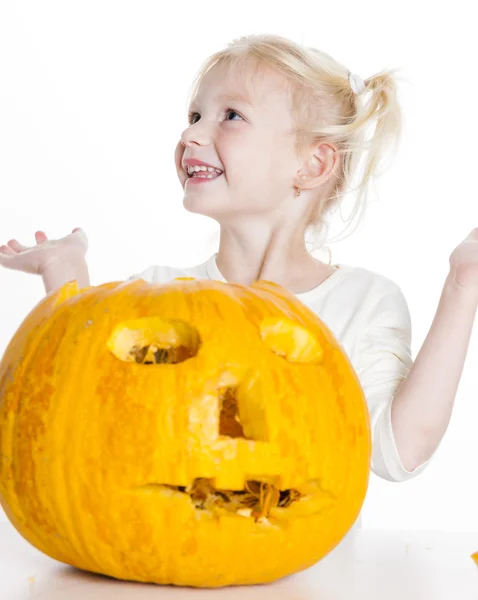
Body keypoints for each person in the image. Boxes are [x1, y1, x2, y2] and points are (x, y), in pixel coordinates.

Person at [2, 34, 478, 530]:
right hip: (161, 548)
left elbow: (399, 453)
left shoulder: (361, 302)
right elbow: (78, 407)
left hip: (301, 574)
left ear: (312, 164)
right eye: (193, 116)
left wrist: (464, 287)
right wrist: (65, 274)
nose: (191, 137)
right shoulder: (157, 295)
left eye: (230, 116)